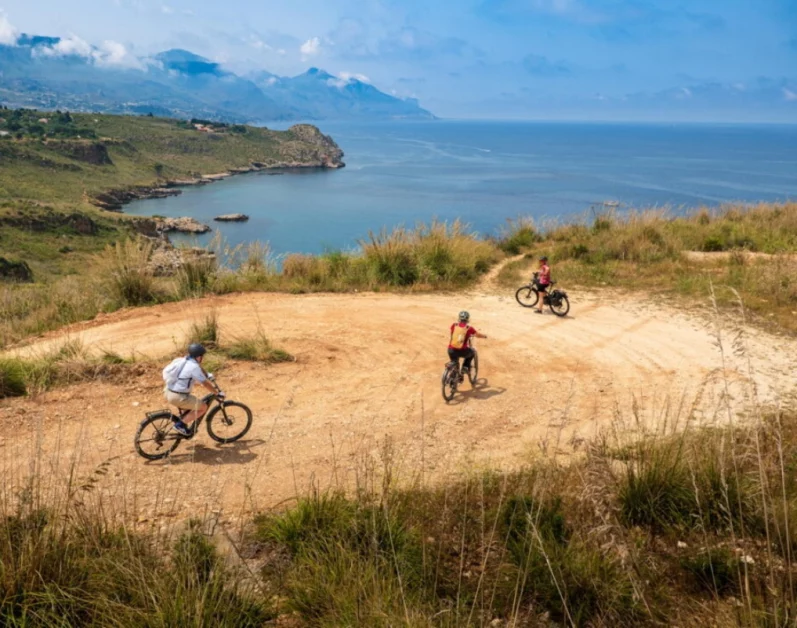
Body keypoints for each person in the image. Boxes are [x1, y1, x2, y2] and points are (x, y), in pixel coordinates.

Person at [161, 343, 223, 436]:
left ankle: (183, 426)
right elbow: (205, 383)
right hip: (178, 397)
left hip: (168, 392)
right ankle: (180, 425)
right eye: (202, 356)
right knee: (203, 408)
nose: (203, 358)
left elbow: (199, 367)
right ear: (199, 356)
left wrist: (207, 374)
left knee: (189, 409)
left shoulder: (184, 360)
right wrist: (217, 393)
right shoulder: (194, 367)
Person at [448, 311, 487, 380]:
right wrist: (484, 336)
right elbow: (477, 335)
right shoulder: (469, 328)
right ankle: (465, 367)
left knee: (455, 362)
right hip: (462, 351)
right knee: (473, 352)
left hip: (451, 350)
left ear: (459, 318)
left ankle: (452, 379)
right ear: (468, 319)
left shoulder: (454, 325)